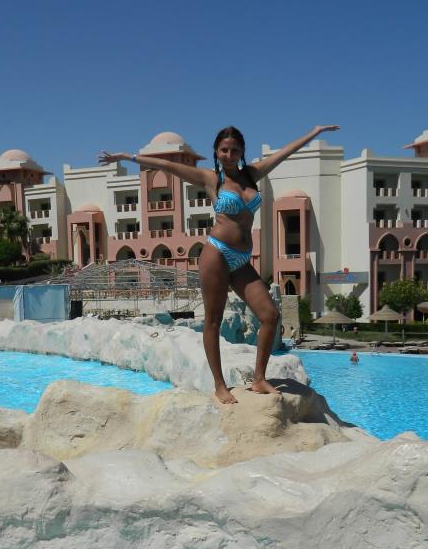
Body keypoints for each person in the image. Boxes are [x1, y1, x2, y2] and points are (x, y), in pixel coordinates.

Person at [99, 124, 339, 404]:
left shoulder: (252, 174)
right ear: (216, 151)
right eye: (224, 150)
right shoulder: (210, 178)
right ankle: (219, 385)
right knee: (213, 321)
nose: (229, 154)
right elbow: (166, 165)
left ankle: (259, 379)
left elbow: (285, 152)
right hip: (217, 253)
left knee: (270, 316)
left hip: (242, 260)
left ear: (242, 151)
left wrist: (315, 132)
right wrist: (126, 157)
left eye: (234, 150)